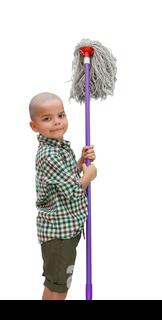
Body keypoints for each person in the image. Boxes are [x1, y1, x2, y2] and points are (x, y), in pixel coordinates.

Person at [29, 92, 97, 300]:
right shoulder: (49, 155)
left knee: (58, 281)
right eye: (47, 118)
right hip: (58, 235)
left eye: (61, 115)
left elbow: (64, 179)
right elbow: (74, 190)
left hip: (67, 228)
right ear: (34, 126)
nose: (57, 122)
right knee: (59, 286)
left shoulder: (59, 147)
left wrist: (80, 162)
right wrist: (90, 175)